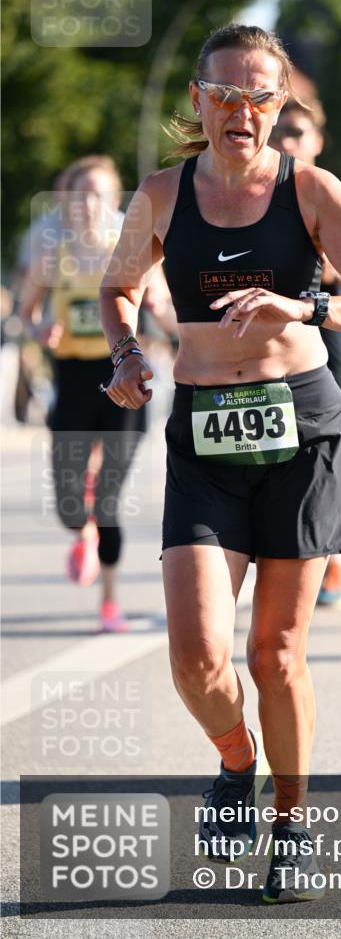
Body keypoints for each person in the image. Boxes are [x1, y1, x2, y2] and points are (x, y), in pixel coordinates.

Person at [98, 24, 341, 903]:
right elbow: (118, 286)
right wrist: (125, 355)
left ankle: (290, 827)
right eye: (225, 95)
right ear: (197, 102)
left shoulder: (312, 190)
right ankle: (235, 763)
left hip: (300, 432)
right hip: (203, 429)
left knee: (274, 654)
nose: (242, 112)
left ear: (281, 107)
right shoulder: (161, 195)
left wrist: (306, 304)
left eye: (259, 97)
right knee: (197, 655)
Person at [19, 155, 145, 632]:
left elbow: (160, 305)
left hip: (124, 381)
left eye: (99, 194)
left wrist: (159, 312)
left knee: (109, 497)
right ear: (66, 203)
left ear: (114, 201)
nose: (89, 204)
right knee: (71, 504)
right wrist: (40, 329)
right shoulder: (52, 255)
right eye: (80, 195)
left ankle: (109, 603)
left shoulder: (131, 252)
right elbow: (27, 314)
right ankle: (81, 531)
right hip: (73, 379)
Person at [269, 97, 341, 610]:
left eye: (297, 132)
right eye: (281, 133)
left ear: (317, 142)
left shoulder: (340, 197)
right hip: (270, 338)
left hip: (329, 329)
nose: (287, 141)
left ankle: (336, 558)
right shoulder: (252, 196)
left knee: (335, 448)